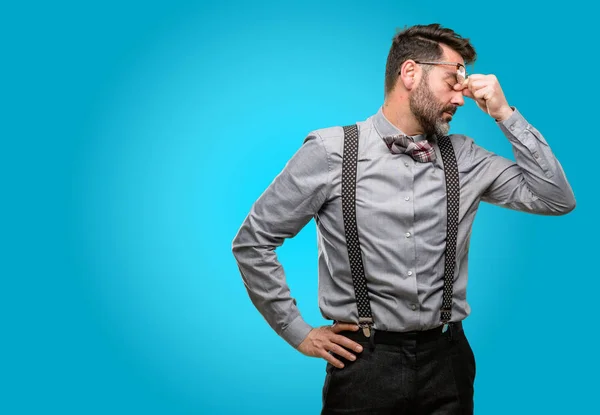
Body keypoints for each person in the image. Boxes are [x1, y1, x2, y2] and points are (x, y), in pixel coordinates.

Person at [231, 23, 576, 414]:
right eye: (453, 79)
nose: (461, 98)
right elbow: (253, 241)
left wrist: (504, 113)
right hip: (363, 365)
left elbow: (556, 198)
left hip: (448, 362)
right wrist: (299, 333)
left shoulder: (465, 156)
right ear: (410, 73)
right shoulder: (330, 152)